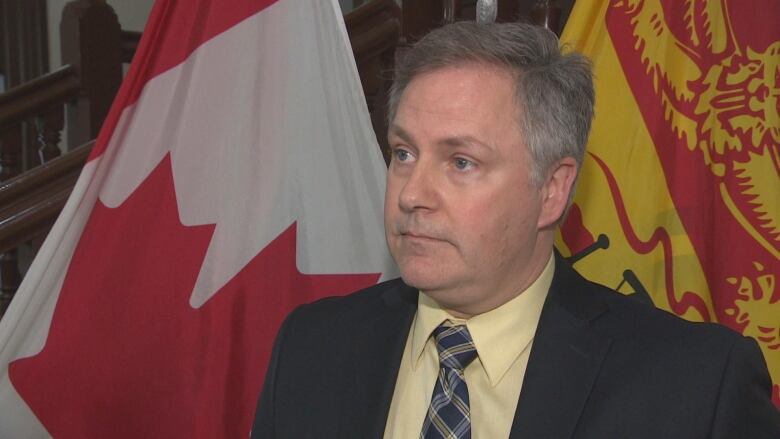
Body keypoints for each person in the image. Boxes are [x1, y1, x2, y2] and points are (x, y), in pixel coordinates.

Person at [251, 22, 780, 438]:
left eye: (461, 162)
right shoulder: (312, 346)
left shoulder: (696, 386)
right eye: (404, 153)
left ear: (551, 189)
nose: (411, 194)